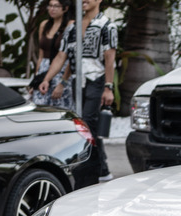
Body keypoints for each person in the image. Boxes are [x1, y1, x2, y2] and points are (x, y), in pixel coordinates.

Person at [39, 0, 117, 181]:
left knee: (88, 122)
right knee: (85, 125)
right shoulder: (72, 28)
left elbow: (109, 58)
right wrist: (48, 79)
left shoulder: (106, 25)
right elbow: (62, 56)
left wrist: (109, 87)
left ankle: (93, 170)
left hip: (96, 80)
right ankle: (102, 169)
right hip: (77, 82)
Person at [30, 0, 74, 109]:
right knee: (40, 105)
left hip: (62, 69)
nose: (52, 9)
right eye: (50, 6)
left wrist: (63, 82)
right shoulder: (44, 25)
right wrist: (36, 78)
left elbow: (71, 55)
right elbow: (40, 55)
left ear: (65, 8)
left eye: (56, 6)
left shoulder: (70, 25)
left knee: (60, 106)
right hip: (44, 68)